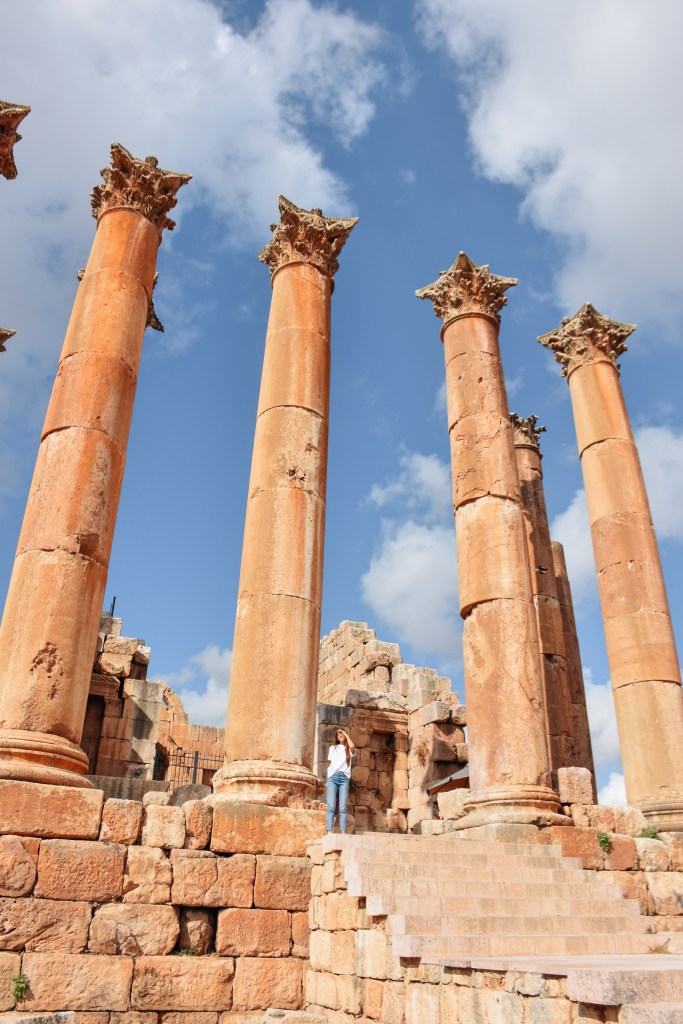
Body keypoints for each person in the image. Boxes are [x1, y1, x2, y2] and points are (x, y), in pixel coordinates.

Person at [326, 727, 356, 834]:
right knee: (331, 805)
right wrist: (341, 734)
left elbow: (352, 746)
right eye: (338, 734)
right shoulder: (333, 748)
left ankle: (343, 831)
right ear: (336, 737)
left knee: (343, 806)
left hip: (344, 778)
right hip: (333, 777)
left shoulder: (349, 750)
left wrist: (345, 734)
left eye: (342, 733)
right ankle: (329, 831)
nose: (340, 735)